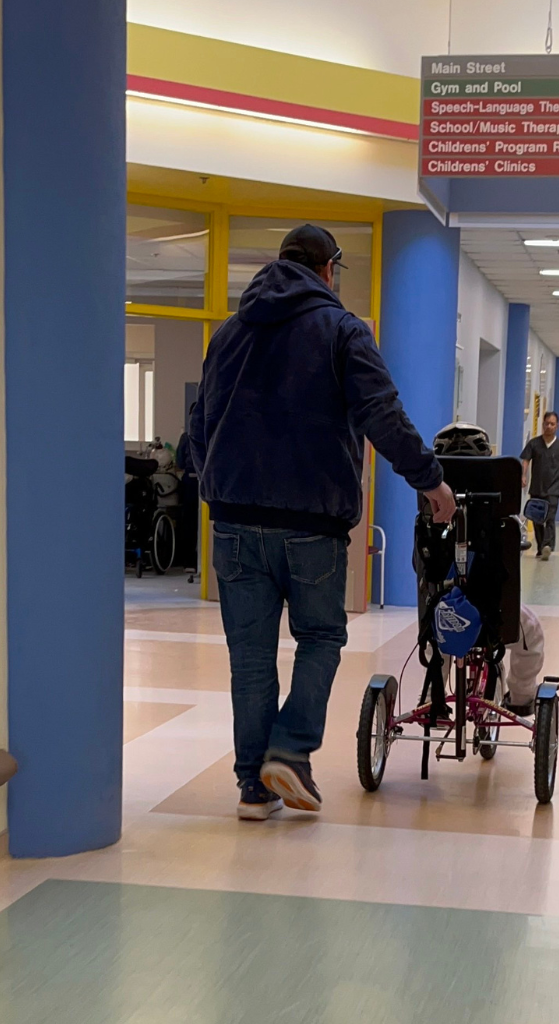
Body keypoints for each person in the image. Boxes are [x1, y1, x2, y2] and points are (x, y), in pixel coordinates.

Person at [189, 224, 456, 820]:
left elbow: (199, 427)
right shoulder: (341, 331)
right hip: (312, 521)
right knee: (321, 638)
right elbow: (381, 414)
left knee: (250, 656)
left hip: (234, 522)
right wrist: (431, 480)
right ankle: (288, 751)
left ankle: (253, 791)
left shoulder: (228, 333)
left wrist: (217, 489)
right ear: (329, 269)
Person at [431, 422, 546, 712]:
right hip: (495, 610)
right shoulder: (506, 522)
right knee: (530, 632)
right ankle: (520, 700)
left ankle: (433, 698)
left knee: (436, 633)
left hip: (442, 610)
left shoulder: (426, 522)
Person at [520, 411, 559, 560]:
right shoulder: (534, 444)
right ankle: (541, 547)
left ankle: (547, 546)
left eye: (552, 424)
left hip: (553, 489)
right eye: (547, 423)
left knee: (549, 517)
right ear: (543, 425)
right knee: (537, 519)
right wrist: (523, 475)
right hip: (537, 488)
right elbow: (525, 460)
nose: (549, 426)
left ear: (557, 426)